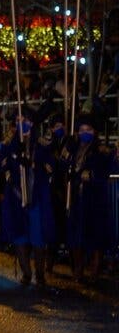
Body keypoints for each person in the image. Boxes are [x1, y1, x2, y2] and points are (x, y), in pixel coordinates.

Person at [0, 111, 54, 287]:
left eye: (24, 120)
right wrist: (14, 159)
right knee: (20, 235)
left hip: (36, 195)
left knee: (38, 236)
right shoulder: (10, 143)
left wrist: (32, 164)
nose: (21, 123)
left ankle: (40, 274)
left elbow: (51, 166)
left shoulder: (41, 144)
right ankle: (26, 273)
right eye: (18, 120)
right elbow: (0, 164)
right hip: (16, 195)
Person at [63, 113, 117, 284]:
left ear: (94, 131)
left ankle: (95, 270)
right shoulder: (74, 148)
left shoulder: (101, 150)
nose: (85, 133)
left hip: (94, 199)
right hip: (77, 199)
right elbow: (63, 167)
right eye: (82, 130)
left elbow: (107, 169)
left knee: (96, 236)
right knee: (76, 236)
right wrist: (68, 151)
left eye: (88, 130)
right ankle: (78, 269)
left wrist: (92, 175)